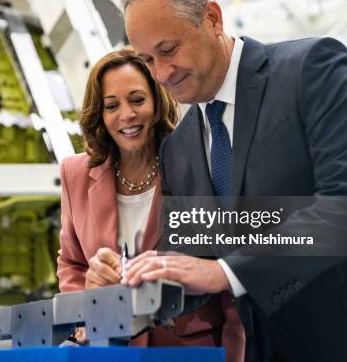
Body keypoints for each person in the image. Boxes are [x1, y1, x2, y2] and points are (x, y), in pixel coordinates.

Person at [120, 0, 347, 362]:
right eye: (148, 60)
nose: (162, 74)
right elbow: (192, 266)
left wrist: (227, 272)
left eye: (168, 50)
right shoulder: (178, 149)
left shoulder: (313, 69)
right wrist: (139, 283)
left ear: (212, 18)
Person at [57, 48, 245, 359]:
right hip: (108, 349)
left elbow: (227, 274)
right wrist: (85, 311)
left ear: (157, 103)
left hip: (190, 351)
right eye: (111, 105)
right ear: (100, 115)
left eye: (137, 100)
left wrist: (235, 354)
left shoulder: (200, 163)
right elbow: (72, 263)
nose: (126, 115)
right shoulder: (75, 173)